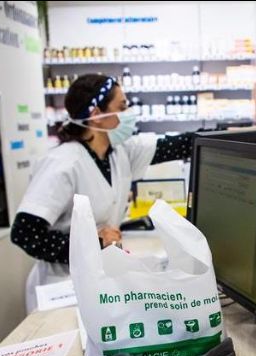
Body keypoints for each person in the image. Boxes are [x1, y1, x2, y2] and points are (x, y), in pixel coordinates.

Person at [11, 74, 193, 312]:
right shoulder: (63, 163)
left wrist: (245, 135)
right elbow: (24, 234)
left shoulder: (119, 152)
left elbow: (182, 144)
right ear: (97, 114)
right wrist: (93, 243)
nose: (129, 113)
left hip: (98, 282)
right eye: (122, 106)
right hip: (62, 289)